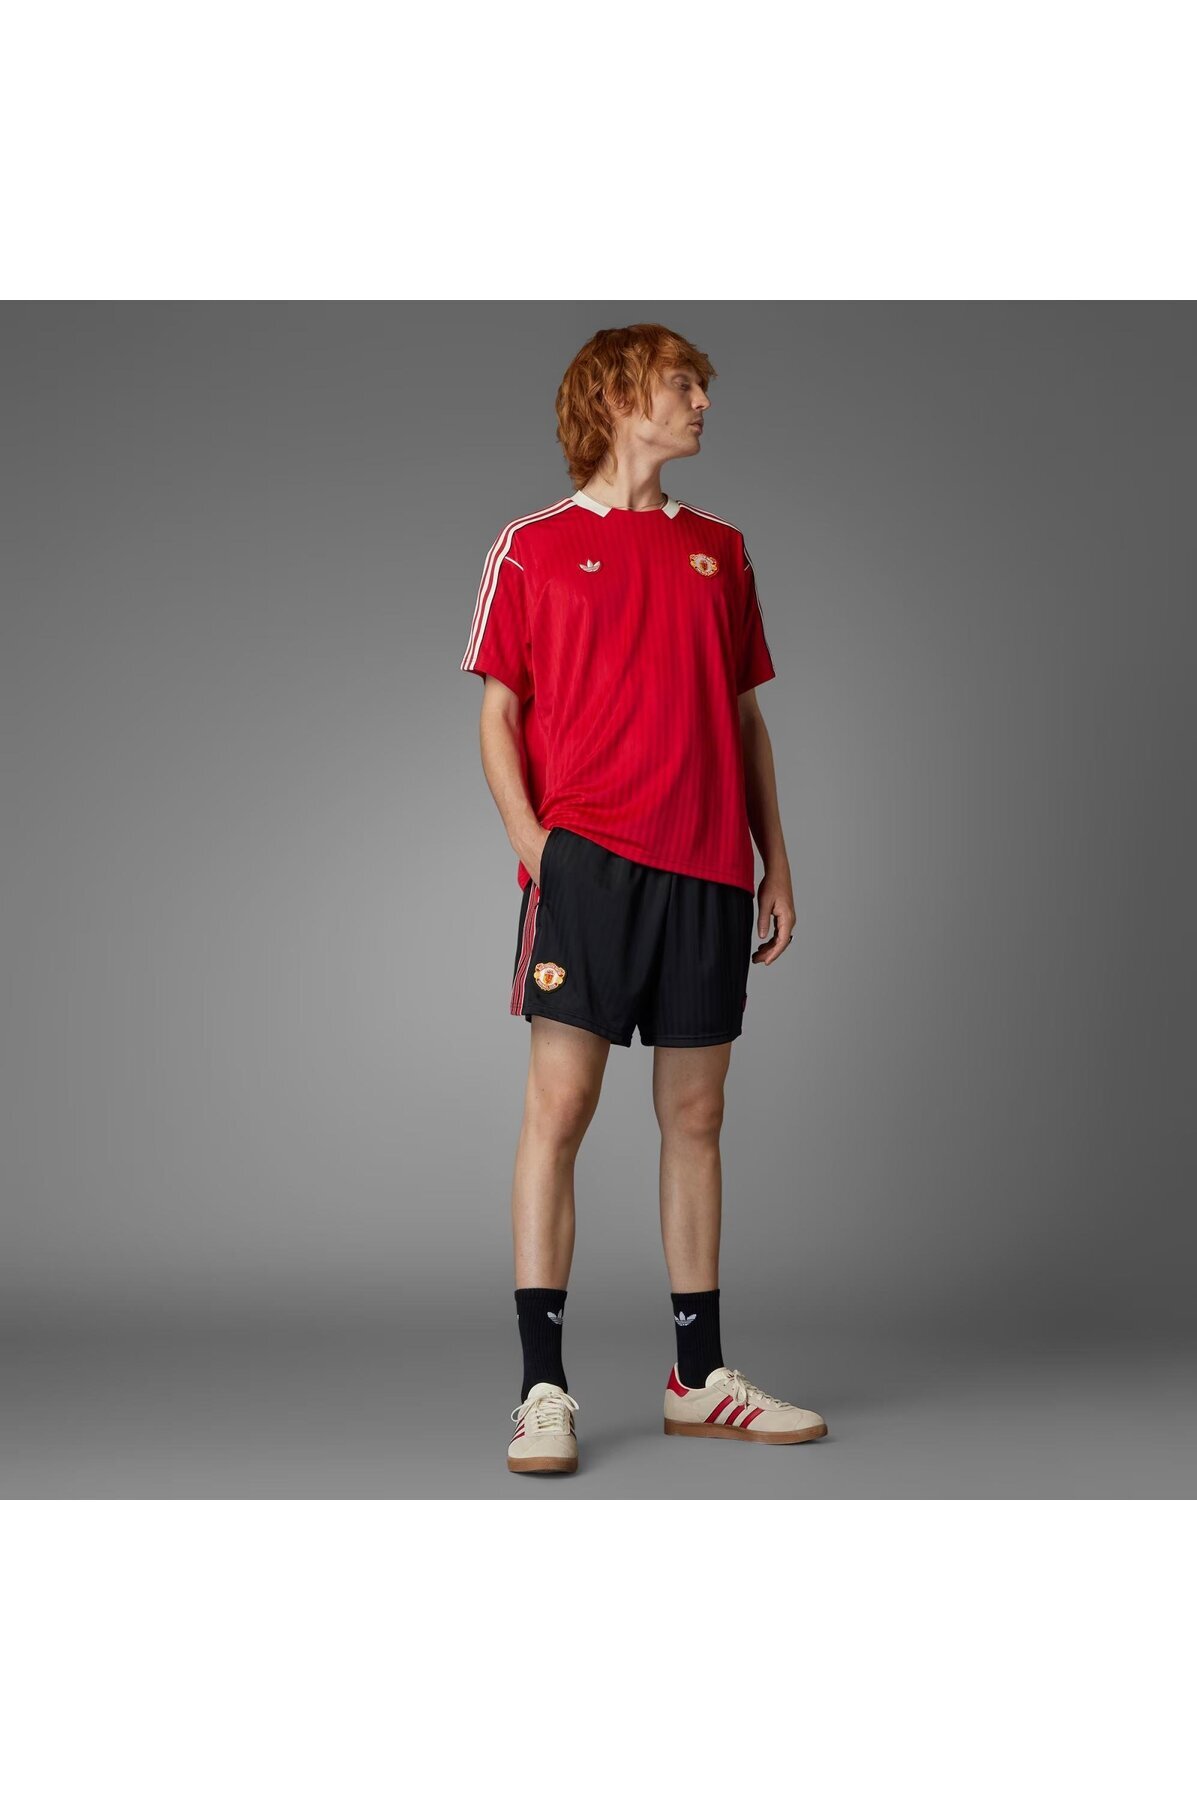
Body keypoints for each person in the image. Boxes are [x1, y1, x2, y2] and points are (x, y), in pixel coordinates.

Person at [460, 323, 828, 1475]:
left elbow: (746, 717)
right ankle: (542, 1390)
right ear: (619, 396)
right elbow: (498, 713)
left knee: (697, 1118)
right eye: (682, 383)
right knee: (560, 1108)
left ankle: (696, 1378)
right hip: (590, 869)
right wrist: (538, 850)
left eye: (702, 386)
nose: (703, 401)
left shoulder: (723, 549)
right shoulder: (531, 547)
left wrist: (774, 860)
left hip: (708, 868)